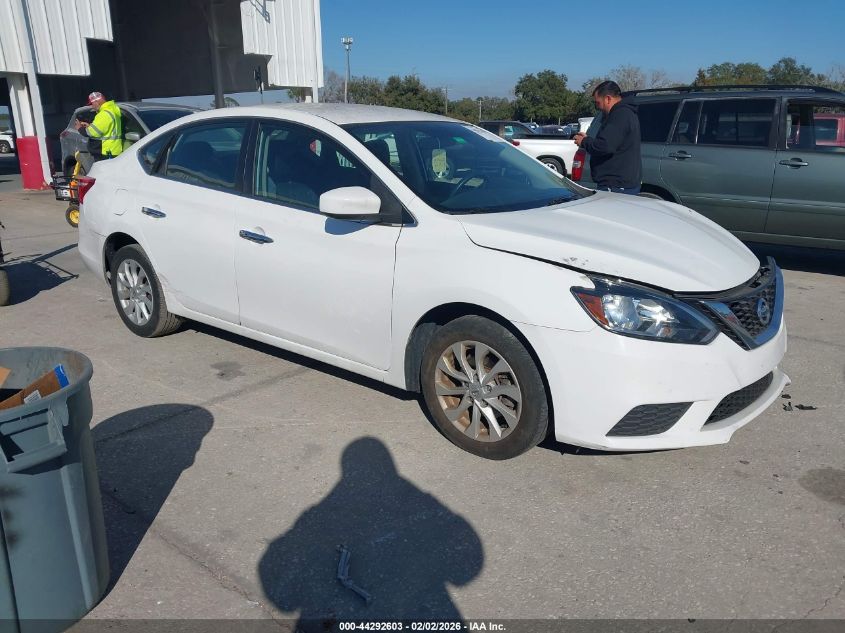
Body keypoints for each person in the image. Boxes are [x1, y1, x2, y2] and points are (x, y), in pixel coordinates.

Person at [573, 80, 642, 195]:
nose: (597, 107)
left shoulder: (620, 115)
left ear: (608, 99)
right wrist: (589, 140)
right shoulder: (625, 113)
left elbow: (605, 146)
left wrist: (584, 141)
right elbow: (611, 142)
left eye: (598, 103)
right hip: (620, 184)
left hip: (616, 186)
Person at [73, 91, 124, 161]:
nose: (92, 106)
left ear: (97, 102)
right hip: (113, 150)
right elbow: (105, 129)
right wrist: (89, 126)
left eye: (92, 104)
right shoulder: (112, 110)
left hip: (105, 151)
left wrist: (80, 128)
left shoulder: (104, 114)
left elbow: (91, 133)